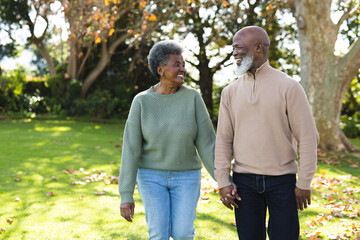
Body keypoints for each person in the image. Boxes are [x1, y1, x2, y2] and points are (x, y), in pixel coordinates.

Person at [214, 26, 319, 240]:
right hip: (243, 182)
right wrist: (223, 180)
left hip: (283, 182)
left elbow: (308, 137)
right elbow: (224, 139)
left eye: (238, 47)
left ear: (258, 48)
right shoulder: (230, 92)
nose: (234, 53)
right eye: (233, 48)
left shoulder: (289, 87)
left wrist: (304, 183)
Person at [119, 40, 216, 240]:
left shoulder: (193, 98)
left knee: (182, 234)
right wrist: (126, 195)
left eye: (183, 64)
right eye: (176, 64)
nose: (183, 69)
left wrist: (224, 180)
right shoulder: (141, 101)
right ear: (160, 69)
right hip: (151, 177)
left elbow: (207, 144)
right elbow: (131, 149)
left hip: (187, 176)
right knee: (158, 234)